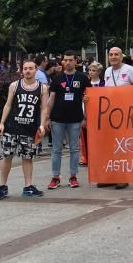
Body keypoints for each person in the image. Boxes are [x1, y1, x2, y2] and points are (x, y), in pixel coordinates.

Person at [0, 60, 49, 200]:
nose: (28, 71)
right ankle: (2, 186)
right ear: (22, 71)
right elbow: (8, 105)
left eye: (30, 68)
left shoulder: (42, 88)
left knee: (27, 157)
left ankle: (28, 186)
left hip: (29, 128)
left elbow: (44, 108)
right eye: (25, 69)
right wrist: (2, 123)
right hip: (12, 127)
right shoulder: (15, 85)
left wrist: (42, 124)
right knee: (7, 156)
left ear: (36, 70)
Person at [47, 50, 89, 190]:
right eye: (66, 60)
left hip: (75, 118)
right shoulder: (57, 78)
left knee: (74, 149)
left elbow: (88, 98)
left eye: (71, 60)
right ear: (63, 61)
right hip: (57, 118)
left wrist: (86, 117)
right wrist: (47, 117)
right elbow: (51, 98)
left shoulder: (82, 78)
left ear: (76, 61)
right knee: (56, 149)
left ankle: (73, 176)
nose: (68, 62)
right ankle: (55, 177)